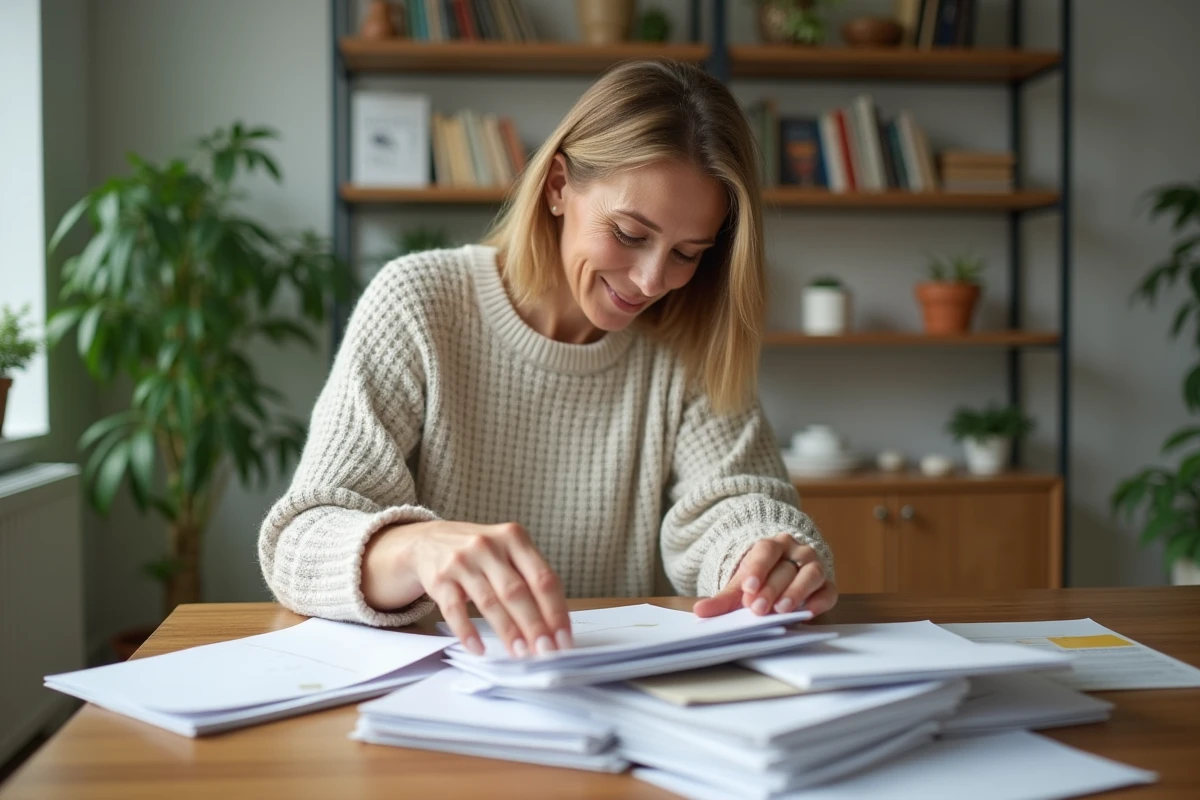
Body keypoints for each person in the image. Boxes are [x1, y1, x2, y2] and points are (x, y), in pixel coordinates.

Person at [258, 59, 835, 659]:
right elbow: (301, 540)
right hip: (438, 684)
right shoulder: (420, 304)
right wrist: (415, 548)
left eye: (687, 253)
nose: (651, 280)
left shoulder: (685, 339)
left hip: (613, 685)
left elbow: (734, 503)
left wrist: (759, 558)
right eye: (630, 234)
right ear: (559, 185)